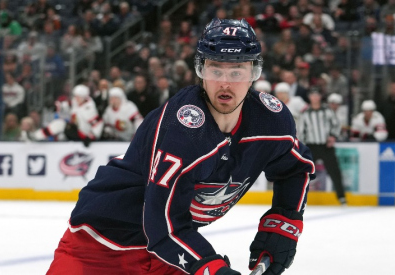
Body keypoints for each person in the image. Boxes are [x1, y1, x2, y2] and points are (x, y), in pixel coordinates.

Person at [47, 18, 315, 275]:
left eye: (237, 70)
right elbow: (162, 227)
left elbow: (296, 166)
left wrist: (283, 223)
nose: (225, 82)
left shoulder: (270, 121)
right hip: (99, 245)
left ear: (254, 73)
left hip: (169, 257)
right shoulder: (184, 129)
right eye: (215, 69)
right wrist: (211, 268)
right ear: (201, 70)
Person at [298, 88, 346, 205]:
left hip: (326, 146)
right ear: (309, 97)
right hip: (311, 147)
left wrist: (333, 136)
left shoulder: (327, 111)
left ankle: (341, 197)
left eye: (317, 95)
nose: (315, 98)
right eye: (312, 95)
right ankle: (300, 198)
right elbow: (301, 131)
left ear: (320, 97)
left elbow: (336, 124)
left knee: (334, 172)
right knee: (304, 173)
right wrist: (303, 147)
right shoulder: (305, 113)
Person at [32, 84, 103, 146]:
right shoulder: (77, 101)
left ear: (83, 97)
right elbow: (67, 105)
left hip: (83, 135)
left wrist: (91, 137)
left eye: (78, 97)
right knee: (60, 134)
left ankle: (37, 136)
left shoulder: (89, 109)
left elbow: (98, 123)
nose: (76, 98)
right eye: (75, 96)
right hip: (76, 130)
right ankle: (37, 136)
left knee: (59, 124)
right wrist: (55, 106)